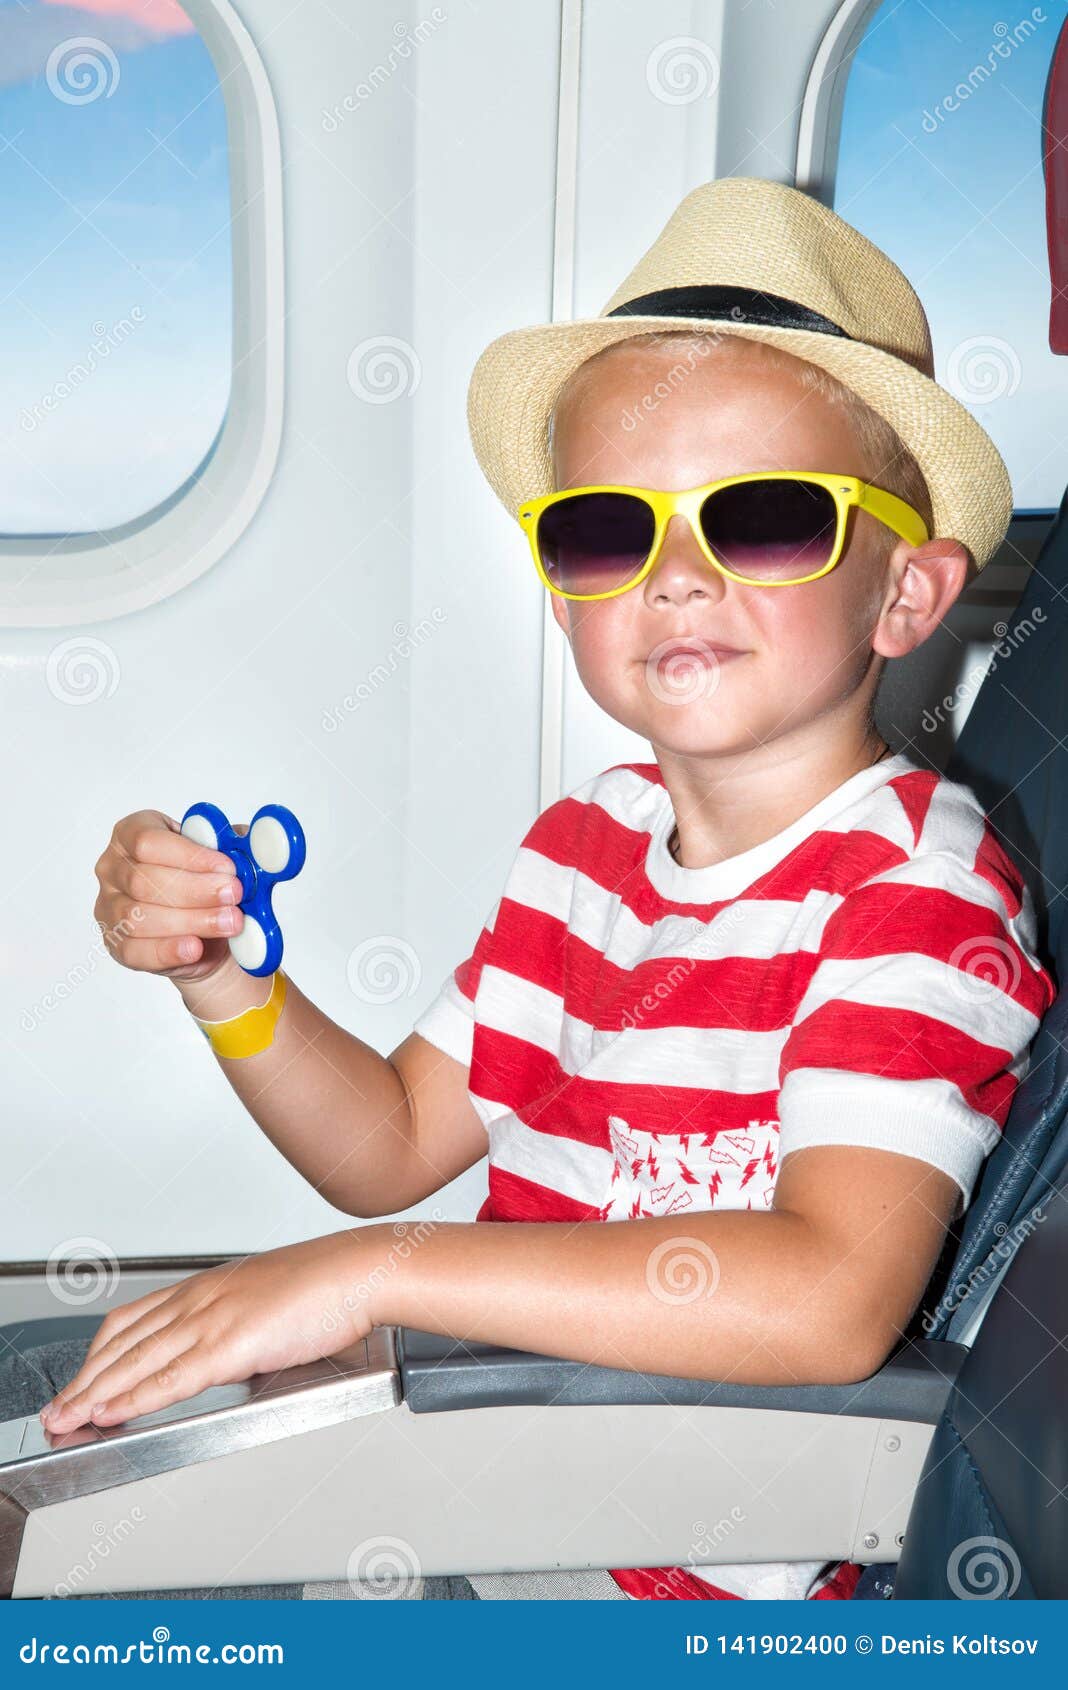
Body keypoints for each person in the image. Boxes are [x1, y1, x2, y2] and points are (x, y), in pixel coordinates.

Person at [3, 176, 1054, 1602]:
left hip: (674, 1574)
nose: (674, 579)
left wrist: (373, 1273)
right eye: (608, 532)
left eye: (758, 517)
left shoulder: (922, 893)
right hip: (487, 1475)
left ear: (908, 595)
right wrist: (222, 977)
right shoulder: (583, 851)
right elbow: (384, 1146)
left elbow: (824, 1296)